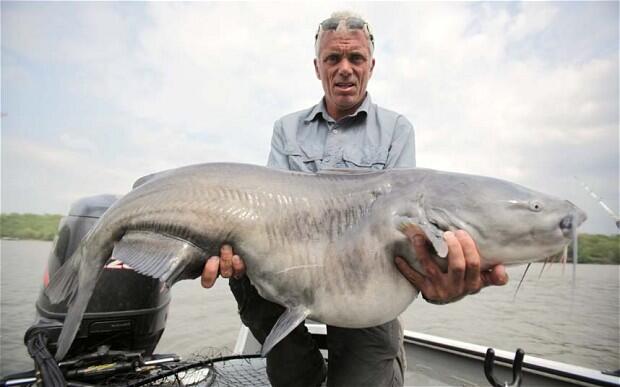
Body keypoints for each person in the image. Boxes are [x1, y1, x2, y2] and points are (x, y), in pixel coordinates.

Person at [201, 11, 509, 387]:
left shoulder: (397, 130)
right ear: (318, 67)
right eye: (333, 59)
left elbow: (406, 230)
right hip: (292, 274)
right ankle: (303, 367)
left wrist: (437, 276)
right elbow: (269, 214)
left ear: (371, 66)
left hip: (364, 282)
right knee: (284, 359)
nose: (345, 68)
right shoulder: (286, 129)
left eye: (355, 58)